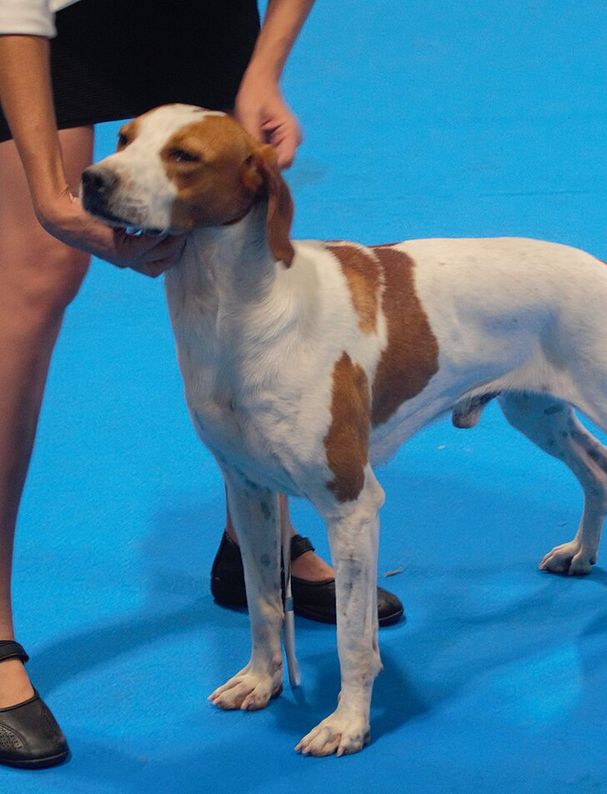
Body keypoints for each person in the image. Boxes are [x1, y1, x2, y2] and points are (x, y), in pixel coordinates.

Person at [0, 0, 402, 769]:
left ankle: (255, 545)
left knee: (220, 237)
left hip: (196, 12)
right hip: (41, 17)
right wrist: (51, 197)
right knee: (35, 277)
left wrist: (264, 67)